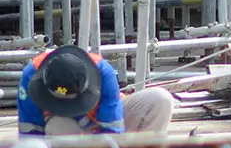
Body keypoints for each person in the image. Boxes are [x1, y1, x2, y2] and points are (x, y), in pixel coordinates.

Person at [17, 45, 175, 136]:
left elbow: (112, 129)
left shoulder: (102, 71)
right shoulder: (30, 76)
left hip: (103, 120)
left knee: (161, 100)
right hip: (66, 127)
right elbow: (30, 133)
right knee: (58, 128)